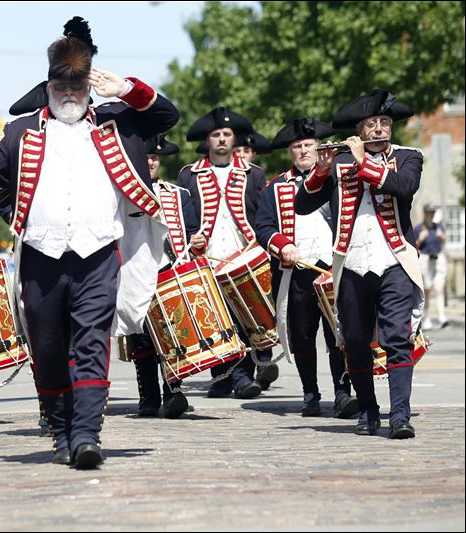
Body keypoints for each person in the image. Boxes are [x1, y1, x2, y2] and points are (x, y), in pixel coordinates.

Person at [0, 16, 178, 468]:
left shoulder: (118, 122)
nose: (69, 95)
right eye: (61, 87)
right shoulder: (21, 132)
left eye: (77, 87)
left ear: (89, 87)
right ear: (48, 88)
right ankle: (61, 430)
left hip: (99, 254)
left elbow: (166, 116)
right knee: (48, 349)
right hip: (40, 257)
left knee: (92, 344)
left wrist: (125, 89)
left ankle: (86, 436)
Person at [295, 89, 424, 439]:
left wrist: (363, 162)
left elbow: (404, 186)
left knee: (397, 338)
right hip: (351, 263)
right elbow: (302, 206)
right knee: (353, 341)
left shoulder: (409, 156)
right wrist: (321, 171)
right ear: (359, 130)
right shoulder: (339, 163)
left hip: (395, 261)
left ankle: (400, 415)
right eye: (371, 124)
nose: (379, 129)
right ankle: (368, 409)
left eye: (384, 122)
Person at [255, 118, 359, 418]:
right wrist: (282, 245)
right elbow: (263, 227)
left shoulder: (338, 180)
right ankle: (310, 394)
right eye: (297, 146)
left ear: (320, 148)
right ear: (290, 152)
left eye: (308, 145)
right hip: (296, 271)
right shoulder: (275, 188)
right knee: (301, 335)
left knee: (338, 333)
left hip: (332, 268)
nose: (303, 150)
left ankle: (342, 393)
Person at [177, 107, 275, 399]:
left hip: (243, 252)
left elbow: (262, 215)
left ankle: (242, 378)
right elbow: (182, 217)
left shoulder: (254, 174)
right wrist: (191, 238)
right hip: (206, 256)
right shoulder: (188, 175)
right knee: (216, 319)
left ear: (234, 139)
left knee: (244, 317)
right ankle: (221, 378)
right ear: (207, 140)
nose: (221, 139)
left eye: (227, 134)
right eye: (216, 134)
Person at [123, 134, 198, 418]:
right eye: (145, 157)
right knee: (142, 339)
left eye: (154, 157)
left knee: (173, 334)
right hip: (134, 270)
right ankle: (148, 397)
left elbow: (192, 231)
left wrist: (198, 240)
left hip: (168, 268)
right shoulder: (122, 193)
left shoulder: (179, 194)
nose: (151, 162)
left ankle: (173, 392)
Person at [414, 203, 448, 329]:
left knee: (439, 288)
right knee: (427, 290)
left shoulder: (438, 226)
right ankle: (427, 318)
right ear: (425, 213)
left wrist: (442, 237)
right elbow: (413, 246)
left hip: (438, 258)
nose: (431, 214)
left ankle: (442, 317)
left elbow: (444, 242)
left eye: (433, 212)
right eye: (429, 212)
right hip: (425, 258)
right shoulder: (419, 228)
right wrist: (420, 239)